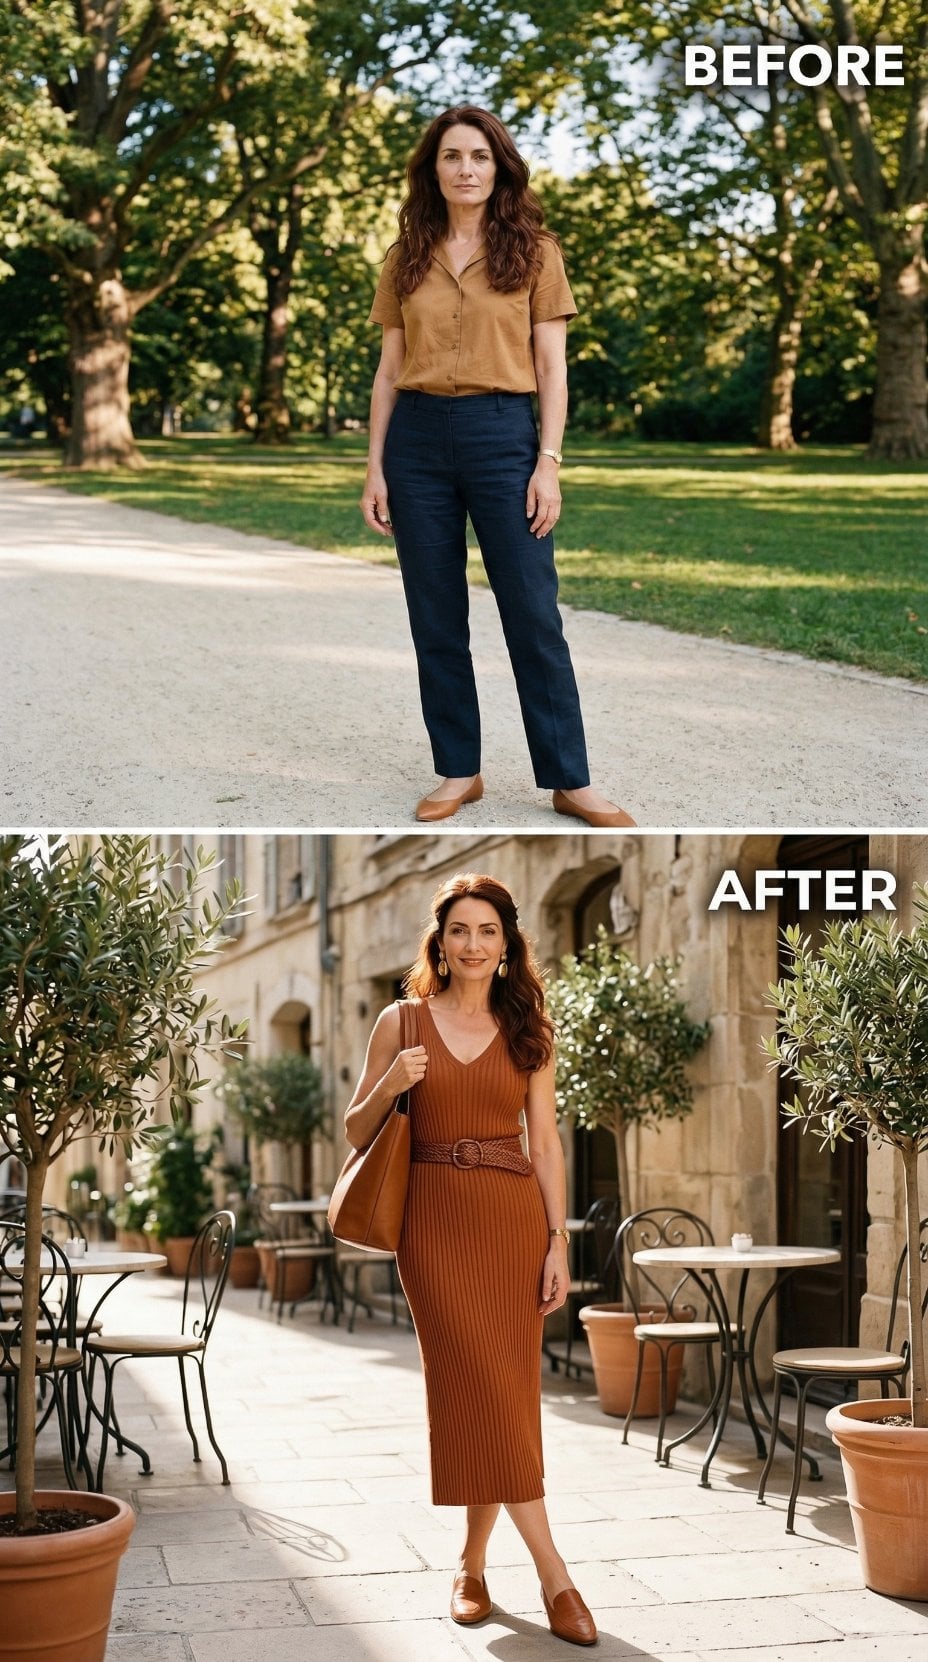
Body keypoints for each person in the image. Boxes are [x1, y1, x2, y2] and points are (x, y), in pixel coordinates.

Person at [361, 105, 635, 829]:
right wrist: (375, 467)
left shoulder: (536, 252)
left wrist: (549, 462)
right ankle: (460, 770)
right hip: (416, 442)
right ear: (432, 170)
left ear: (500, 167)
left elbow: (552, 367)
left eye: (479, 157)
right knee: (435, 615)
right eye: (452, 156)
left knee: (532, 613)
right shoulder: (406, 257)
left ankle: (570, 780)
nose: (466, 169)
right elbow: (388, 370)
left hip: (504, 436)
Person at [345, 873, 597, 1647]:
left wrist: (558, 1242)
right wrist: (393, 1082)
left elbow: (546, 1144)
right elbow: (354, 1129)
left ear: (507, 943)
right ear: (441, 942)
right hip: (431, 1228)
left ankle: (472, 1566)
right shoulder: (401, 1020)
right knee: (479, 1386)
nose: (474, 944)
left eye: (488, 930)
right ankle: (556, 1575)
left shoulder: (529, 1030)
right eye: (460, 930)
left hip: (512, 1224)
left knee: (503, 1394)